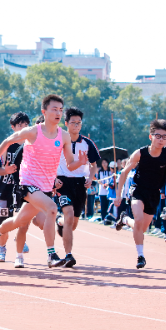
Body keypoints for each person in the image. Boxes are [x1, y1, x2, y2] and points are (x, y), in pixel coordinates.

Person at [0, 95, 88, 269]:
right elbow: (7, 142)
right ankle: (51, 255)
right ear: (44, 112)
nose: (58, 113)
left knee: (19, 221)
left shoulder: (64, 136)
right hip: (28, 183)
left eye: (61, 110)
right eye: (54, 109)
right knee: (52, 209)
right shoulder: (33, 132)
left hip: (45, 187)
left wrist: (81, 162)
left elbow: (69, 165)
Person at [114, 119, 166, 268]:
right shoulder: (140, 153)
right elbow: (124, 173)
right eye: (158, 136)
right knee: (138, 218)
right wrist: (119, 194)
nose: (161, 140)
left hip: (154, 193)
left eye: (164, 137)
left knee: (141, 228)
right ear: (151, 137)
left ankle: (124, 220)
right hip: (138, 189)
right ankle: (141, 256)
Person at [52, 107, 101, 267]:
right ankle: (68, 255)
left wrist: (90, 178)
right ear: (66, 123)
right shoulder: (58, 141)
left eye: (79, 123)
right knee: (69, 213)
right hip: (63, 182)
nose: (76, 126)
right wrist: (53, 179)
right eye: (73, 123)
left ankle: (59, 222)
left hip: (80, 183)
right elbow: (48, 161)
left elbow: (94, 165)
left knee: (73, 223)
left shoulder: (87, 143)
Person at [0, 112, 30, 263]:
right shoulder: (7, 144)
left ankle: (20, 241)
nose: (23, 128)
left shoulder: (31, 144)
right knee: (4, 220)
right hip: (4, 189)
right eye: (20, 125)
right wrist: (6, 171)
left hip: (22, 189)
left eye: (26, 125)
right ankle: (2, 249)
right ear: (13, 127)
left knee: (23, 219)